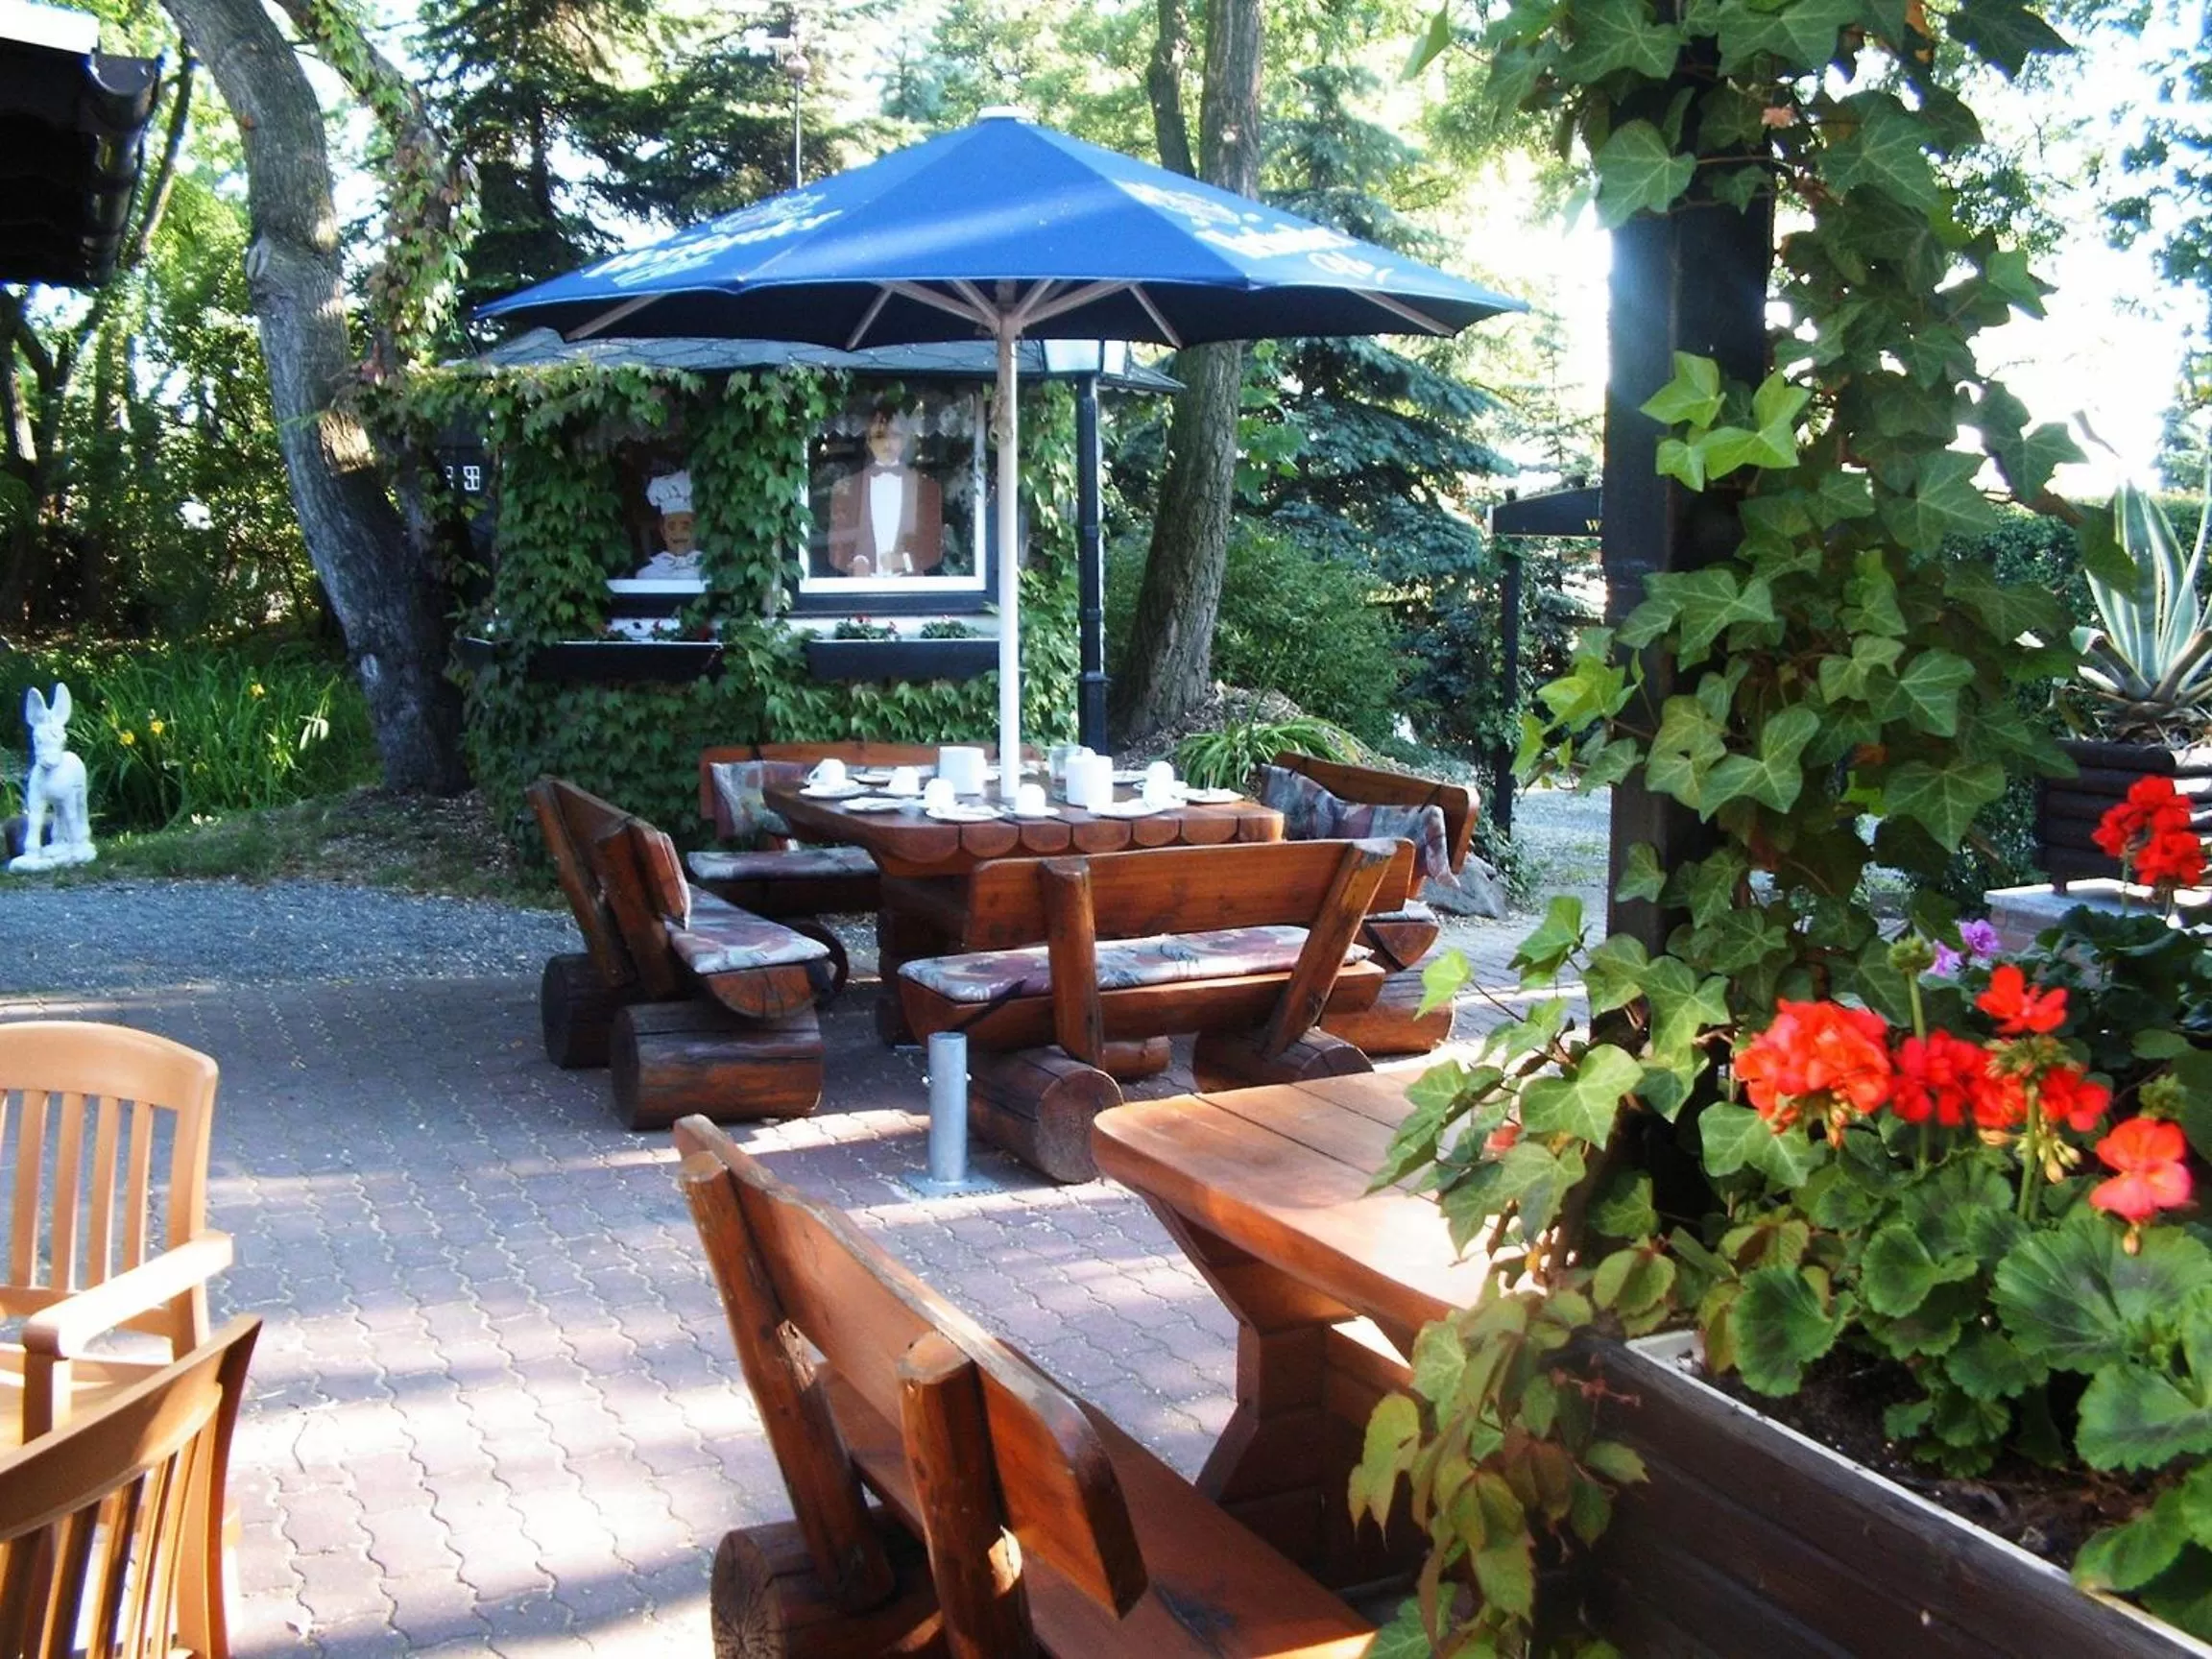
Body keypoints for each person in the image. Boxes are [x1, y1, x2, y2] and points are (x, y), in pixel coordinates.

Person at [826, 404, 944, 577]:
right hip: (861, 589)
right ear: (869, 441)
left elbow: (934, 548)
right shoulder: (846, 488)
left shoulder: (927, 488)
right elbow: (837, 546)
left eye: (894, 436)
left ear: (905, 440)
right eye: (880, 436)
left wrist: (903, 561)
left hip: (911, 589)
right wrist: (858, 561)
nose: (887, 444)